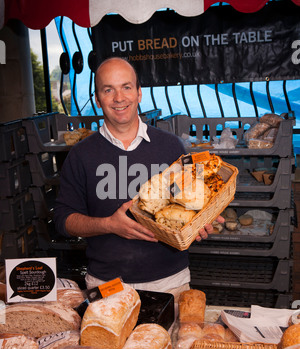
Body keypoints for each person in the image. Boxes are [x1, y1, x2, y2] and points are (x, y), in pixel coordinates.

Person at [54, 57, 222, 300]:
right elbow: (63, 220)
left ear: (139, 93)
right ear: (98, 99)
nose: (119, 98)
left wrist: (202, 221)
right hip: (107, 286)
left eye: (126, 87)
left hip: (169, 283)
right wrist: (108, 225)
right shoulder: (81, 155)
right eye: (108, 89)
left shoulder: (172, 146)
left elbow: (194, 196)